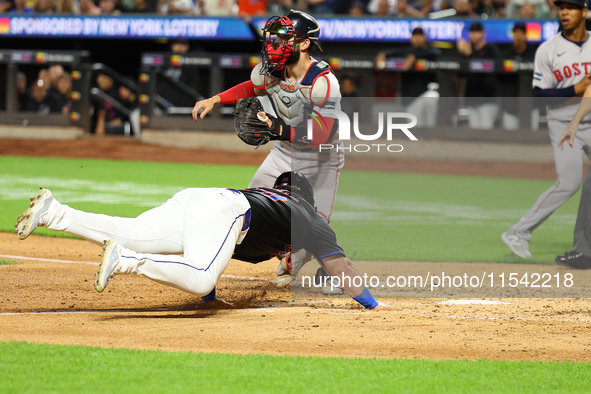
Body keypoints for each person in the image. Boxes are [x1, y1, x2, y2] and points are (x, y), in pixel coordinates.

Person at [15, 172, 396, 310]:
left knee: (128, 228)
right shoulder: (310, 217)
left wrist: (211, 301)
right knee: (201, 276)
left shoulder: (272, 200)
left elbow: (216, 241)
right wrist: (371, 302)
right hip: (226, 212)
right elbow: (340, 267)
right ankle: (126, 261)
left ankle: (55, 213)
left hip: (200, 198)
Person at [192, 10, 343, 293]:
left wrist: (280, 129)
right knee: (249, 207)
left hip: (321, 159)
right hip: (284, 152)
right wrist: (215, 99)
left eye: (285, 38)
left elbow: (324, 133)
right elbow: (251, 86)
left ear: (304, 44)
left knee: (315, 224)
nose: (275, 44)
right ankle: (284, 252)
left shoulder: (323, 82)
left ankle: (330, 269)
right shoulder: (271, 71)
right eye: (274, 37)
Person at [502, 0, 591, 259]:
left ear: (584, 12)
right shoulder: (548, 50)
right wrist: (574, 89)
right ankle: (518, 232)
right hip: (564, 124)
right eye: (561, 7)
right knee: (570, 183)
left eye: (571, 7)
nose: (564, 11)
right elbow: (540, 96)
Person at [375, 26, 441, 128]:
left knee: (433, 96)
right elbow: (388, 52)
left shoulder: (430, 51)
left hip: (426, 93)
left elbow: (436, 53)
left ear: (425, 38)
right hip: (411, 97)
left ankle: (432, 135)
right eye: (415, 36)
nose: (417, 38)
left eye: (420, 36)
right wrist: (382, 55)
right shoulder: (405, 51)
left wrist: (415, 58)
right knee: (415, 128)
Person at [457, 21, 501, 129]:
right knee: (474, 135)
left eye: (477, 32)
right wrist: (464, 55)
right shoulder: (468, 50)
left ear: (483, 34)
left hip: (487, 100)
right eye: (472, 32)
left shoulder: (490, 49)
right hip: (471, 99)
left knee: (486, 132)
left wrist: (470, 54)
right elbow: (461, 74)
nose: (474, 35)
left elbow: (485, 70)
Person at [498, 22, 538, 130]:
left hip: (531, 106)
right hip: (510, 106)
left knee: (531, 139)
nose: (518, 36)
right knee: (510, 140)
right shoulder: (506, 55)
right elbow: (499, 79)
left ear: (526, 35)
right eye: (516, 33)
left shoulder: (535, 54)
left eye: (521, 33)